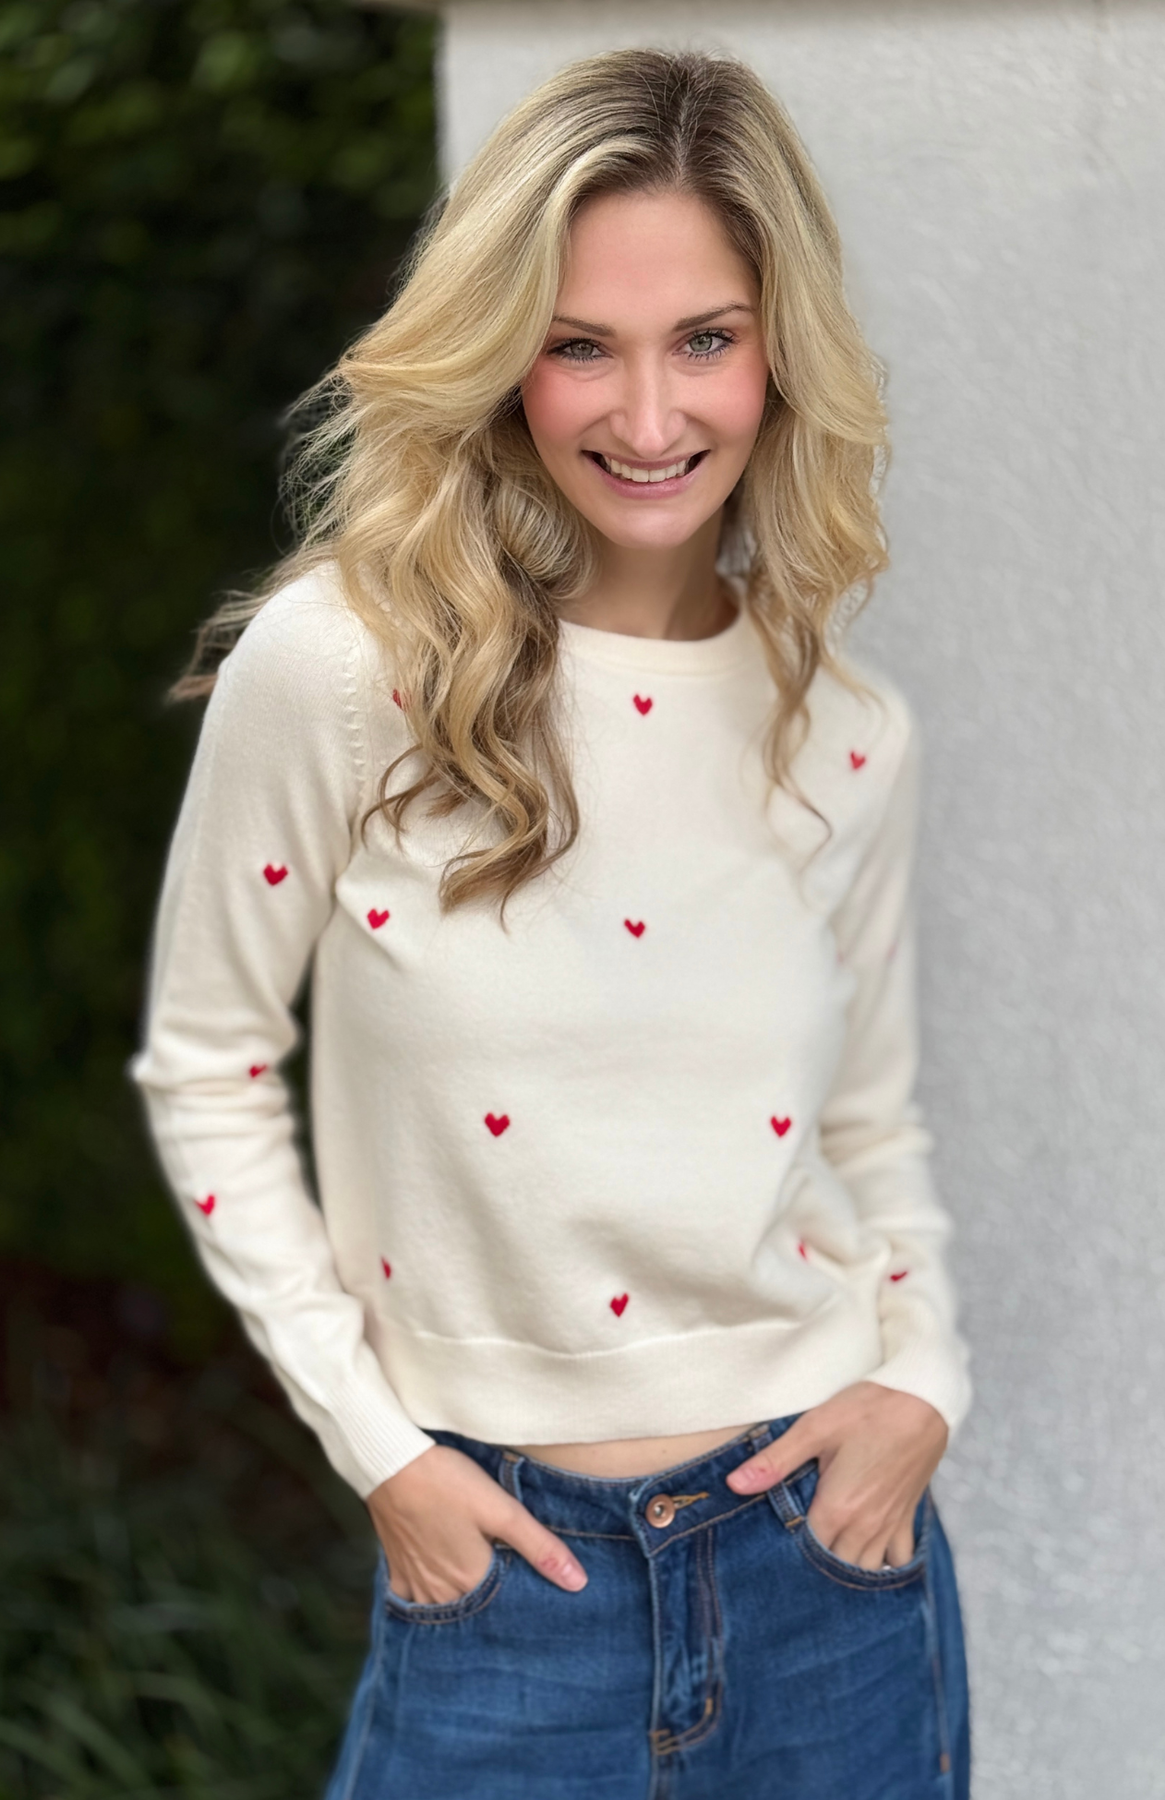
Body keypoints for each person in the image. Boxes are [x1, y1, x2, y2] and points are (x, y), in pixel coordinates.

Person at [133, 47, 972, 1800]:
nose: (648, 417)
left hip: (834, 1573)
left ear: (780, 353)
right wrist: (378, 1450)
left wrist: (923, 1391)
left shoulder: (849, 731)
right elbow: (208, 1065)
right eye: (580, 341)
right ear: (498, 351)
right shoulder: (345, 675)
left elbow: (869, 1127)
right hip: (503, 1580)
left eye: (707, 340)